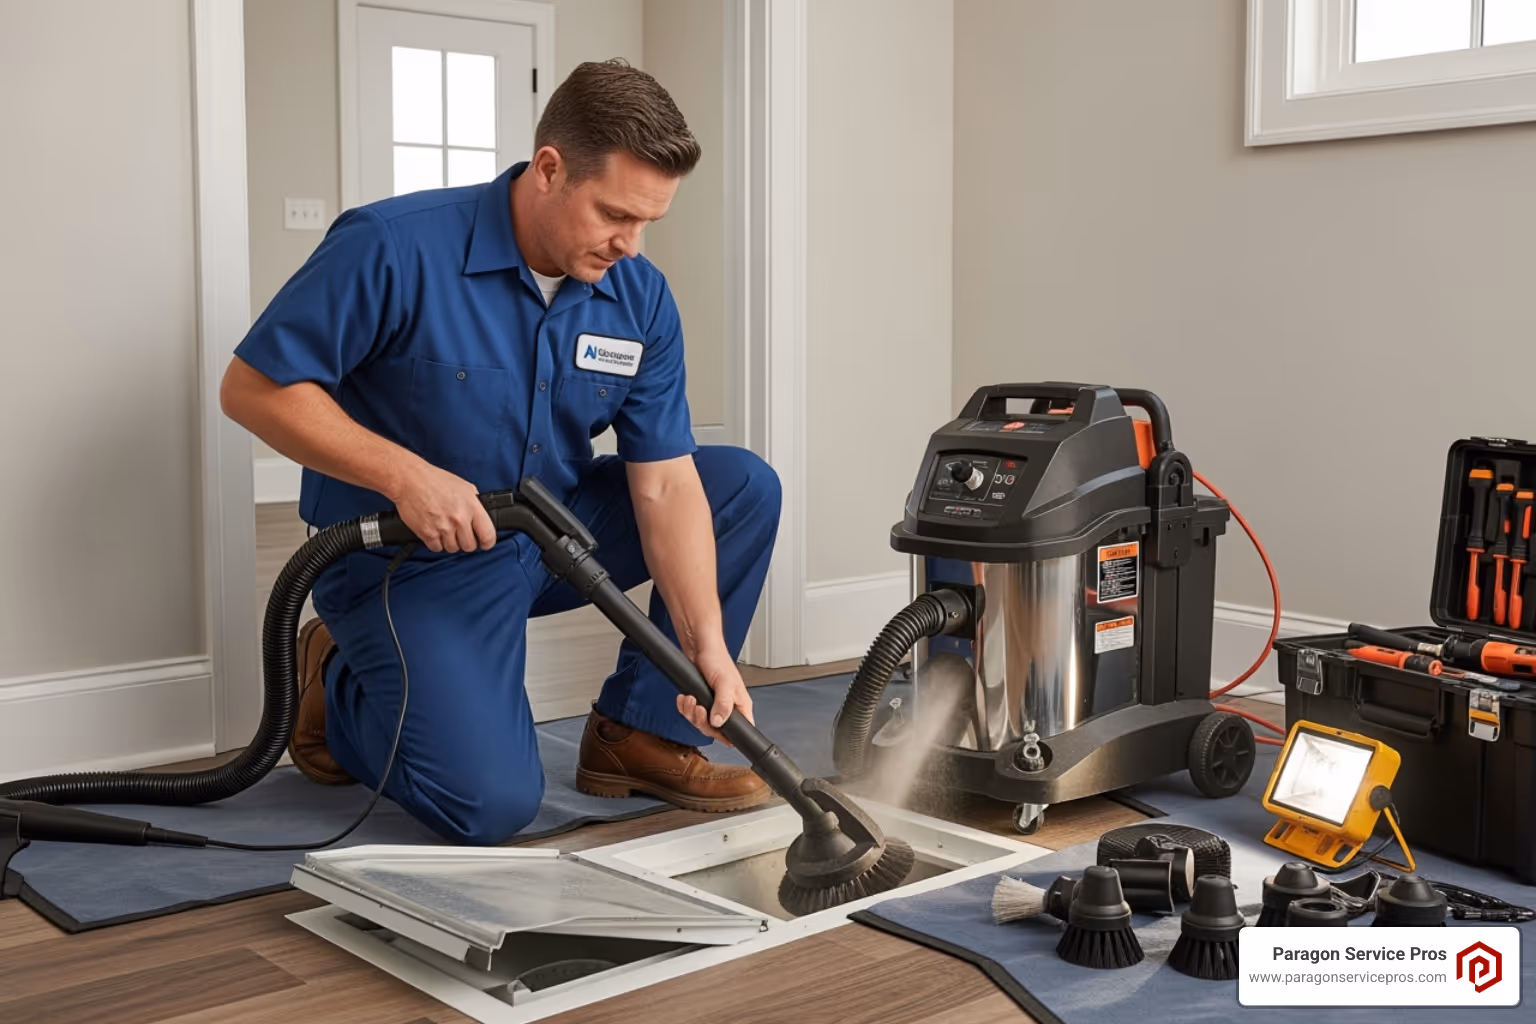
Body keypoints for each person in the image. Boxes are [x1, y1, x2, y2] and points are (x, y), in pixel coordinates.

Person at [220, 60, 780, 844]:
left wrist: (706, 649)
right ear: (549, 169)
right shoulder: (393, 247)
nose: (632, 243)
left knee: (742, 485)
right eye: (615, 213)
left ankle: (641, 732)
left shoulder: (638, 295)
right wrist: (405, 475)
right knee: (490, 805)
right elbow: (253, 389)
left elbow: (663, 488)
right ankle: (338, 683)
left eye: (650, 221)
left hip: (546, 536)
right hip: (406, 561)